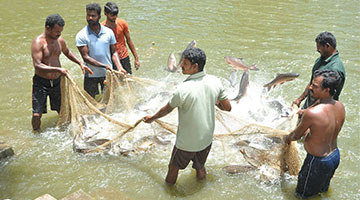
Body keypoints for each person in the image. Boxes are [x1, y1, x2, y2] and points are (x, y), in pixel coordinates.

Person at [143, 48, 232, 185]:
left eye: (184, 63)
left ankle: (168, 193)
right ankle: (201, 189)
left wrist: (151, 119)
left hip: (186, 143)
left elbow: (166, 110)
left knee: (173, 168)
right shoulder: (215, 81)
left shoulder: (182, 89)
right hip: (206, 139)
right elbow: (228, 108)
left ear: (195, 66)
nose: (180, 66)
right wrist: (213, 101)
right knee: (200, 167)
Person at [284, 69, 345, 198]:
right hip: (334, 157)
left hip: (317, 161)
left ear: (327, 90)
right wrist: (305, 110)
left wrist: (287, 137)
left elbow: (296, 136)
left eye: (315, 86)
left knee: (302, 195)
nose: (310, 88)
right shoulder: (340, 106)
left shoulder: (312, 114)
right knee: (321, 191)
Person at [31, 14, 93, 131]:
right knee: (36, 115)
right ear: (47, 28)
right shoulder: (38, 42)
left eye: (60, 32)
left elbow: (67, 52)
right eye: (56, 31)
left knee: (62, 111)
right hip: (41, 83)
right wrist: (58, 70)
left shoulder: (59, 41)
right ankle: (36, 134)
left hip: (57, 82)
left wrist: (80, 63)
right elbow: (37, 65)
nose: (59, 34)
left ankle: (65, 132)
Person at [76, 3, 127, 98]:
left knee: (110, 100)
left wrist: (119, 67)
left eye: (93, 16)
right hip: (91, 75)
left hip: (107, 74)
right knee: (91, 101)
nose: (90, 18)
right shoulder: (81, 35)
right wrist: (104, 65)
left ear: (99, 16)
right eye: (88, 15)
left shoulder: (108, 32)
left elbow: (114, 52)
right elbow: (86, 57)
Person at [293, 32, 346, 110]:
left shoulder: (334, 69)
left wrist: (307, 111)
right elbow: (312, 83)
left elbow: (326, 98)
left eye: (319, 47)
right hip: (310, 107)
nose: (317, 49)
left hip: (321, 111)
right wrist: (299, 100)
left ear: (327, 46)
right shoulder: (321, 59)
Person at [102, 2, 140, 74]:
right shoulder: (102, 28)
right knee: (114, 82)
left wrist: (136, 58)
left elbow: (129, 40)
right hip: (110, 60)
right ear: (105, 13)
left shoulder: (122, 23)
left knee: (128, 80)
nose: (114, 17)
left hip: (124, 57)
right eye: (112, 15)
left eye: (116, 14)